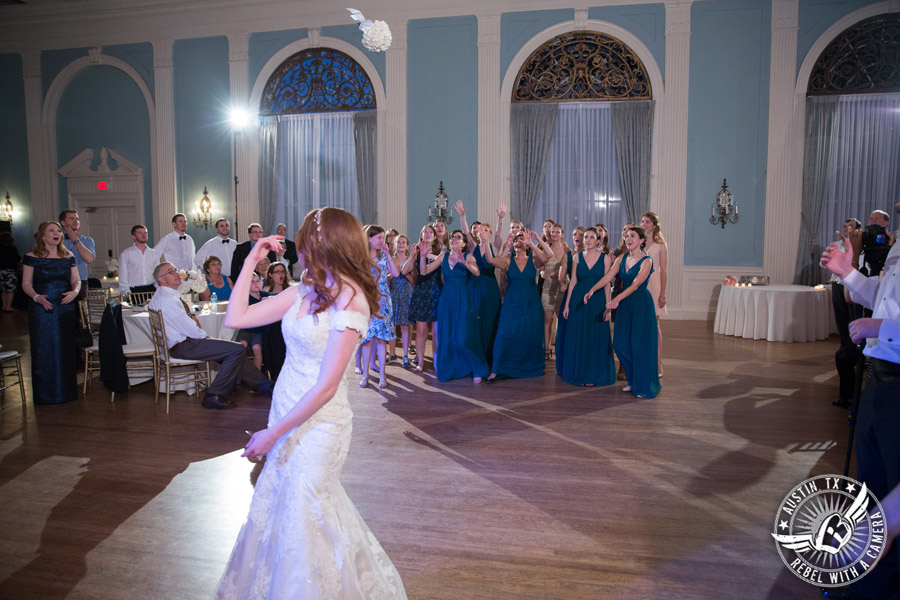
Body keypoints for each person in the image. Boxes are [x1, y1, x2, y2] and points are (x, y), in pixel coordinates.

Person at [215, 207, 407, 599]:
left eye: (305, 246)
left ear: (326, 247)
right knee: (285, 508)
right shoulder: (300, 292)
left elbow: (326, 386)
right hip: (285, 407)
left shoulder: (352, 302)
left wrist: (271, 434)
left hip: (321, 423)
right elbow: (236, 316)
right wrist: (252, 259)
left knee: (308, 507)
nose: (300, 254)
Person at [821, 205, 900, 600]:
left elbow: (887, 317)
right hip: (880, 381)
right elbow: (884, 297)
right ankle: (871, 585)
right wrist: (847, 273)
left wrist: (881, 328)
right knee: (873, 486)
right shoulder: (898, 247)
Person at [148, 262, 272, 410]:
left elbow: (184, 323)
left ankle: (265, 385)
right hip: (185, 345)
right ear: (161, 279)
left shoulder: (161, 296)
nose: (176, 274)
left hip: (184, 342)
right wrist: (206, 337)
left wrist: (195, 322)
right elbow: (191, 330)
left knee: (233, 350)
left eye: (175, 270)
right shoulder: (167, 300)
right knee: (236, 349)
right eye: (171, 272)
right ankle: (214, 394)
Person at [585, 226, 661, 399]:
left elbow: (635, 285)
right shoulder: (621, 258)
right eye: (626, 236)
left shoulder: (647, 261)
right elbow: (607, 277)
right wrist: (592, 289)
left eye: (632, 236)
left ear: (641, 240)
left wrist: (616, 300)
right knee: (619, 343)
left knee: (639, 345)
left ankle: (642, 385)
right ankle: (633, 378)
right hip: (625, 304)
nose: (628, 238)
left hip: (640, 304)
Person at [21, 222, 80, 404]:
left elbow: (76, 280)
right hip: (42, 308)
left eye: (58, 231)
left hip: (65, 307)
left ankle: (66, 391)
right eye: (51, 231)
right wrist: (37, 297)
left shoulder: (68, 255)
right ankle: (46, 394)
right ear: (43, 235)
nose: (56, 233)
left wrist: (74, 292)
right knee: (44, 348)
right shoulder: (31, 257)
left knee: (66, 348)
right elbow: (26, 284)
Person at [484, 229, 550, 381]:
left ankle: (528, 366)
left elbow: (548, 257)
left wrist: (533, 243)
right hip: (512, 304)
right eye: (516, 240)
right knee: (503, 334)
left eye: (522, 240)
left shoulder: (533, 260)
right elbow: (490, 260)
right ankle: (497, 368)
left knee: (530, 335)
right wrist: (486, 241)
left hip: (531, 303)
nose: (519, 242)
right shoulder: (508, 261)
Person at [561, 227, 616, 386]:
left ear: (599, 240)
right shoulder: (577, 257)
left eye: (592, 237)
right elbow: (572, 282)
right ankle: (581, 373)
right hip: (579, 300)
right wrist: (567, 305)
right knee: (579, 335)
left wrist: (608, 307)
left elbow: (607, 284)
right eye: (586, 237)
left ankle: (593, 374)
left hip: (598, 300)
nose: (588, 240)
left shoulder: (605, 258)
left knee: (595, 336)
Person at [432, 230, 488, 383]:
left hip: (463, 299)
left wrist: (464, 263)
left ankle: (478, 368)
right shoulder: (443, 256)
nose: (455, 239)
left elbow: (477, 272)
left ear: (464, 243)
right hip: (446, 301)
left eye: (459, 237)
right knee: (447, 336)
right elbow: (424, 271)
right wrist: (423, 256)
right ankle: (451, 369)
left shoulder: (468, 256)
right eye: (453, 237)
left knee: (463, 337)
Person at [455, 200, 501, 364]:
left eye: (485, 230)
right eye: (481, 230)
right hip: (474, 286)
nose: (482, 232)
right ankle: (476, 354)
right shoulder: (474, 247)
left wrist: (500, 220)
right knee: (476, 319)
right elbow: (467, 233)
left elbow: (497, 235)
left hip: (490, 287)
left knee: (491, 319)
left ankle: (490, 355)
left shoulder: (494, 246)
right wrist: (462, 216)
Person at [825, 218, 863, 407]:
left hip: (854, 290)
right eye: (845, 226)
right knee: (842, 325)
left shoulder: (861, 246)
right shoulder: (837, 245)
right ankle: (845, 346)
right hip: (839, 286)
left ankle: (851, 353)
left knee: (852, 325)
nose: (847, 229)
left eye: (851, 226)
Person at [359, 225, 399, 389]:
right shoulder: (361, 258)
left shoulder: (383, 257)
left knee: (381, 340)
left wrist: (389, 255)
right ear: (369, 238)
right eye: (379, 238)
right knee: (367, 340)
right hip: (367, 301)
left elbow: (396, 274)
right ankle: (365, 374)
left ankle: (382, 374)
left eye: (383, 238)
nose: (382, 241)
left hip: (383, 302)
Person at [406, 224, 442, 373]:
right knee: (421, 331)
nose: (427, 234)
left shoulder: (441, 253)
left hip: (435, 291)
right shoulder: (416, 251)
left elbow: (426, 271)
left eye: (430, 232)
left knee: (436, 331)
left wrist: (425, 256)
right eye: (424, 232)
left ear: (434, 236)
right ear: (421, 235)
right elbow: (404, 270)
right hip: (421, 292)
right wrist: (413, 255)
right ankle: (420, 361)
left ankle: (437, 361)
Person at [555, 226, 586, 375]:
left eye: (581, 234)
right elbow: (561, 274)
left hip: (589, 294)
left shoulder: (592, 255)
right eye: (574, 234)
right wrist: (562, 282)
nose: (577, 237)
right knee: (567, 329)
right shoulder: (567, 255)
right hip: (572, 294)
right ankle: (567, 363)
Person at [640, 212, 668, 377]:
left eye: (648, 222)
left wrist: (662, 293)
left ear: (654, 225)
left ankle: (658, 364)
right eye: (643, 221)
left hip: (655, 284)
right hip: (640, 284)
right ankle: (644, 361)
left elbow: (664, 270)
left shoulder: (660, 245)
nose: (644, 224)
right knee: (641, 325)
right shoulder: (639, 243)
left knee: (654, 325)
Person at [540, 223, 568, 360]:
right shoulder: (546, 248)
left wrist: (558, 272)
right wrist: (541, 273)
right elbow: (539, 265)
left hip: (561, 285)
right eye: (552, 232)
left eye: (558, 232)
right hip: (547, 287)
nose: (555, 234)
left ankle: (562, 349)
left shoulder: (567, 249)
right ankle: (547, 349)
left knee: (560, 319)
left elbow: (570, 266)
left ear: (562, 234)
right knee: (547, 319)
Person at [234, 272, 271, 371]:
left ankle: (257, 378)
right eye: (252, 282)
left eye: (257, 281)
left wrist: (269, 298)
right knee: (241, 346)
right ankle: (239, 375)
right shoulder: (245, 299)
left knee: (257, 348)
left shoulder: (264, 295)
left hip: (259, 331)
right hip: (247, 329)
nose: (256, 284)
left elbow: (277, 296)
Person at [389, 235, 414, 367]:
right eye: (398, 242)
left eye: (403, 242)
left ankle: (405, 355)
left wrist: (404, 273)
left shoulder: (411, 260)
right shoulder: (390, 259)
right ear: (394, 244)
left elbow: (414, 281)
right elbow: (387, 279)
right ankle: (392, 354)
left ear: (407, 245)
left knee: (405, 325)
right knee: (393, 325)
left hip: (406, 293)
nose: (401, 244)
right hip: (393, 294)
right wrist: (393, 273)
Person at [59, 209, 95, 300]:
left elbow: (89, 259)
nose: (76, 221)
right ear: (63, 222)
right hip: (61, 281)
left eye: (77, 219)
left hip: (81, 281)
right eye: (71, 219)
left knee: (81, 313)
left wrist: (76, 240)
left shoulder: (87, 240)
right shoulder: (57, 240)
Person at [118, 224, 160, 297]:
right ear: (133, 236)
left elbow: (157, 274)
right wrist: (127, 293)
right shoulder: (126, 254)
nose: (143, 235)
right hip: (134, 290)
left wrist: (158, 289)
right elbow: (123, 276)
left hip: (151, 289)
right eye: (140, 233)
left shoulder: (154, 253)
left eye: (145, 233)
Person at [0, 232, 21, 312]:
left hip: (1, 271)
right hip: (10, 271)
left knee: (4, 289)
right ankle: (9, 307)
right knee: (11, 290)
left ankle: (4, 306)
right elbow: (18, 259)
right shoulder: (12, 248)